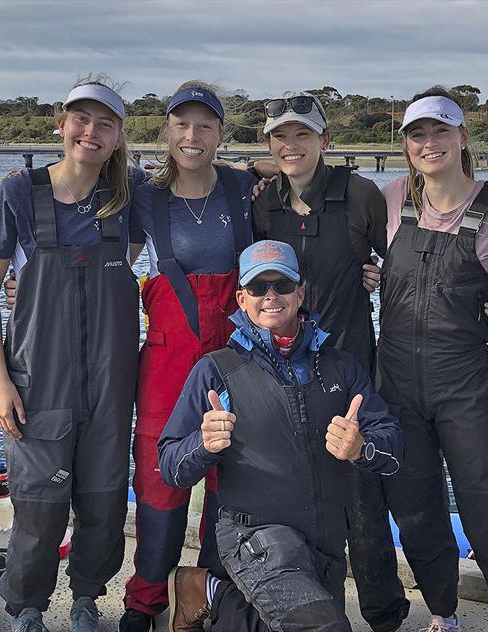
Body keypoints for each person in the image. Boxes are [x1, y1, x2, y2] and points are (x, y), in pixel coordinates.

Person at [157, 240, 405, 632]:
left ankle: (208, 593)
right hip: (254, 538)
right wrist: (201, 445)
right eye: (257, 288)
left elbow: (393, 447)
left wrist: (362, 447)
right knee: (324, 627)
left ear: (300, 293)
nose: (270, 296)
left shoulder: (341, 366)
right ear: (241, 298)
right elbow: (170, 466)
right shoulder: (215, 371)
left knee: (276, 620)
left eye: (282, 285)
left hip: (323, 549)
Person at [0, 78, 144, 632]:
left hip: (111, 383)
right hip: (36, 383)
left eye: (104, 123)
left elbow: (199, 183)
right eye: (81, 119)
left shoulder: (131, 195)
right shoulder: (17, 193)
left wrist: (262, 177)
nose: (90, 132)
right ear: (61, 122)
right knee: (38, 512)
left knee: (103, 503)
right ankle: (27, 608)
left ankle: (89, 599)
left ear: (119, 137)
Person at [249, 91, 409, 631]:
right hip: (283, 371)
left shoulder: (360, 194)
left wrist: (382, 276)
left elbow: (404, 262)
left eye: (302, 134)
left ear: (325, 140)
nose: (290, 146)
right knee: (296, 496)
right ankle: (309, 611)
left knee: (363, 501)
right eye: (280, 137)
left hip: (349, 371)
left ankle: (385, 615)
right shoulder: (262, 201)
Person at [376, 88, 488, 632]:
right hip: (394, 384)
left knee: (487, 511)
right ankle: (443, 614)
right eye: (417, 134)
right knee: (416, 512)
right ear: (406, 145)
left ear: (463, 138)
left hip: (464, 386)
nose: (430, 143)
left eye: (441, 131)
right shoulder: (392, 198)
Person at [119, 81, 256, 632]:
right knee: (159, 481)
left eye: (204, 125)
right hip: (167, 357)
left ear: (222, 134)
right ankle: (145, 599)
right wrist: (23, 286)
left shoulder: (247, 189)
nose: (192, 136)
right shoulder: (141, 197)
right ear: (166, 132)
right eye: (181, 125)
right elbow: (112, 268)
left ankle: (210, 593)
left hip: (236, 358)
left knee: (232, 477)